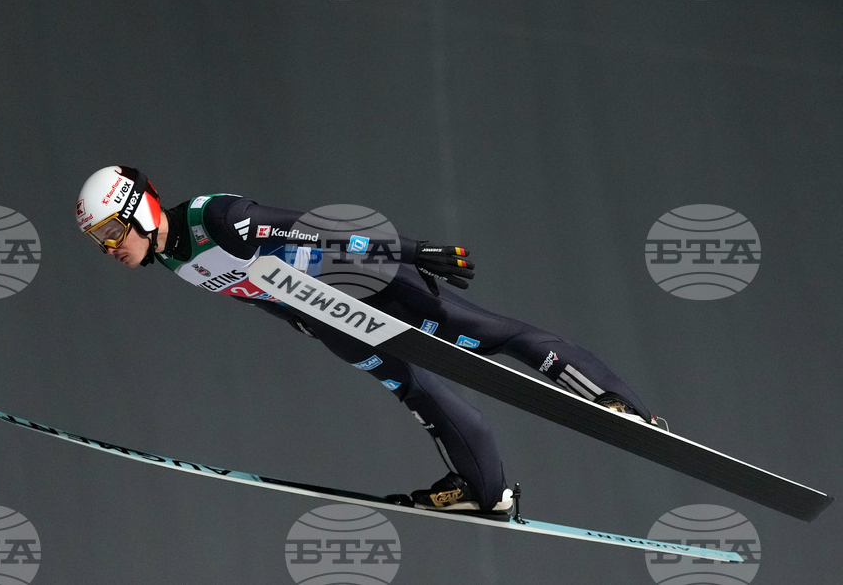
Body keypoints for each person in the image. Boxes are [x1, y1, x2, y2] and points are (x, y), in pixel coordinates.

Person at [75, 165, 656, 515]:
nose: (109, 248)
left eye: (109, 231)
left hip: (366, 284)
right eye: (98, 241)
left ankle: (623, 408)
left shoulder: (215, 220)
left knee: (489, 337)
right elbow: (260, 293)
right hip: (330, 319)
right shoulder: (175, 261)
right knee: (415, 391)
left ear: (139, 209)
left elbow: (318, 231)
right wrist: (309, 324)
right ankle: (486, 490)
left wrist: (411, 251)